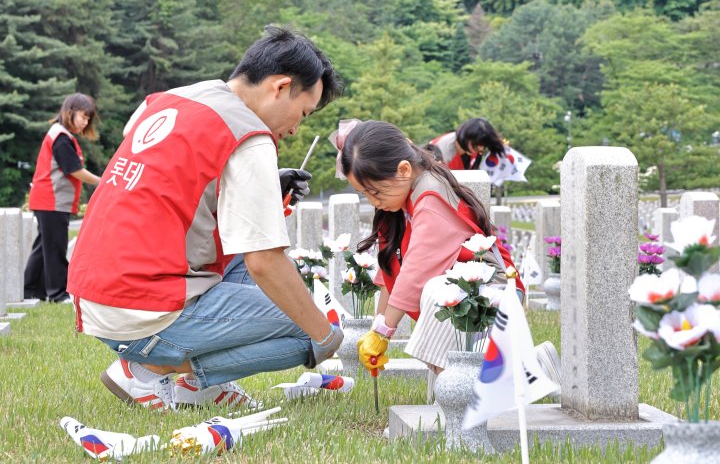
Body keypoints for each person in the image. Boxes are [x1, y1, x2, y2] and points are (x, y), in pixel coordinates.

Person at [67, 26, 345, 412]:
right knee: (309, 326)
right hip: (143, 306)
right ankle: (147, 369)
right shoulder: (251, 136)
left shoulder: (170, 99)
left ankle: (201, 386)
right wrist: (327, 337)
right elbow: (264, 262)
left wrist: (265, 184)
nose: (296, 127)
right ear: (280, 87)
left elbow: (169, 174)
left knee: (281, 281)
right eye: (303, 113)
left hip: (95, 291)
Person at [334, 120, 560, 397]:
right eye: (365, 194)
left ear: (403, 170)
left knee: (435, 302)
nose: (372, 201)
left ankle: (490, 388)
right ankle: (520, 372)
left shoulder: (430, 197)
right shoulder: (405, 197)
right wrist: (377, 326)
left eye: (375, 191)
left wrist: (383, 332)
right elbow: (389, 271)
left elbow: (416, 270)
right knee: (438, 326)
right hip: (463, 289)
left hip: (490, 290)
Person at [24, 93, 101, 303]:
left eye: (88, 119)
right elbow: (74, 170)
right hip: (52, 201)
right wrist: (100, 181)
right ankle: (57, 293)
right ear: (70, 112)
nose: (85, 122)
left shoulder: (60, 135)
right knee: (55, 246)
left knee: (43, 247)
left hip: (49, 201)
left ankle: (31, 290)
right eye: (83, 117)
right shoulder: (61, 138)